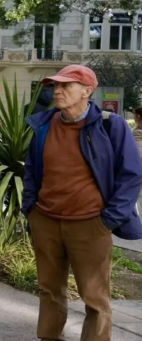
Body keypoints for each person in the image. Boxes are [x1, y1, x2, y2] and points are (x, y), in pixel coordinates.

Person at [22, 65, 142, 341]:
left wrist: (109, 219)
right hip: (46, 221)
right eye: (56, 86)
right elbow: (31, 169)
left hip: (91, 224)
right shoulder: (43, 125)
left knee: (95, 297)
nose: (58, 91)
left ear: (87, 91)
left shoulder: (111, 125)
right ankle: (49, 337)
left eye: (66, 85)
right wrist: (31, 210)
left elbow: (132, 174)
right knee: (49, 290)